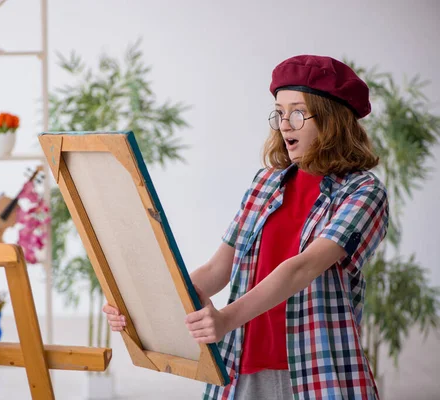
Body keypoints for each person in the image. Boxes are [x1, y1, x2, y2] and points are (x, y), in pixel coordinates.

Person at [103, 54, 389, 400]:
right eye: (279, 113)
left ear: (332, 120)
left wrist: (224, 319)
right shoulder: (266, 183)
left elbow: (303, 267)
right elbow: (216, 270)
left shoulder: (363, 192)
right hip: (242, 372)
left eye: (298, 112)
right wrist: (143, 305)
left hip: (318, 375)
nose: (285, 124)